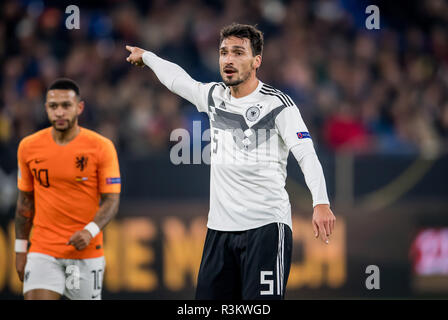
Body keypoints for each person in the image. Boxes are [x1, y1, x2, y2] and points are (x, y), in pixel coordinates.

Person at [126, 23, 335, 300]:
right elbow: (179, 81)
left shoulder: (278, 105)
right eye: (224, 52)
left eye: (238, 52)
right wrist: (148, 57)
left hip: (266, 229)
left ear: (256, 61)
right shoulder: (214, 96)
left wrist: (320, 202)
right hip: (220, 231)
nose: (228, 59)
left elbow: (306, 153)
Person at [15, 78, 121, 300]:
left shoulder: (101, 147)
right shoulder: (28, 147)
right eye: (54, 107)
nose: (60, 112)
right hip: (43, 251)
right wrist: (20, 249)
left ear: (79, 107)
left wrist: (89, 231)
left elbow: (111, 200)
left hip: (84, 253)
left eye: (66, 106)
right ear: (46, 109)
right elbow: (25, 202)